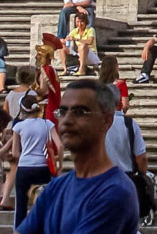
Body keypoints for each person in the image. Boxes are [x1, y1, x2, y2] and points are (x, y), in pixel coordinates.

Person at [19, 79, 138, 233]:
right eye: (62, 111)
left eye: (79, 112)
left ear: (106, 120)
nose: (67, 120)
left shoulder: (116, 192)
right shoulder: (56, 187)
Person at [12, 92, 62, 227]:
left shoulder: (18, 127)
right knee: (44, 204)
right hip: (43, 167)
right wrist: (59, 164)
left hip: (24, 168)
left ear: (22, 110)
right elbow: (60, 145)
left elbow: (15, 153)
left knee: (21, 206)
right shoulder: (47, 123)